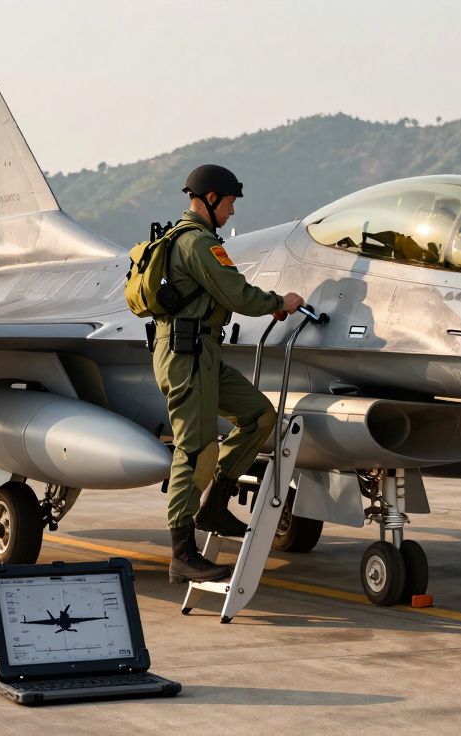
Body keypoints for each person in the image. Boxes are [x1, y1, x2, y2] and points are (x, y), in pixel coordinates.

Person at [153, 164, 304, 584]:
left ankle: (216, 501)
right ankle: (182, 553)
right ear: (212, 199)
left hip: (203, 353)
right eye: (231, 202)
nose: (233, 212)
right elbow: (235, 292)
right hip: (186, 356)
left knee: (259, 415)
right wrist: (282, 301)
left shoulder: (192, 240)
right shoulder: (197, 243)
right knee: (195, 449)